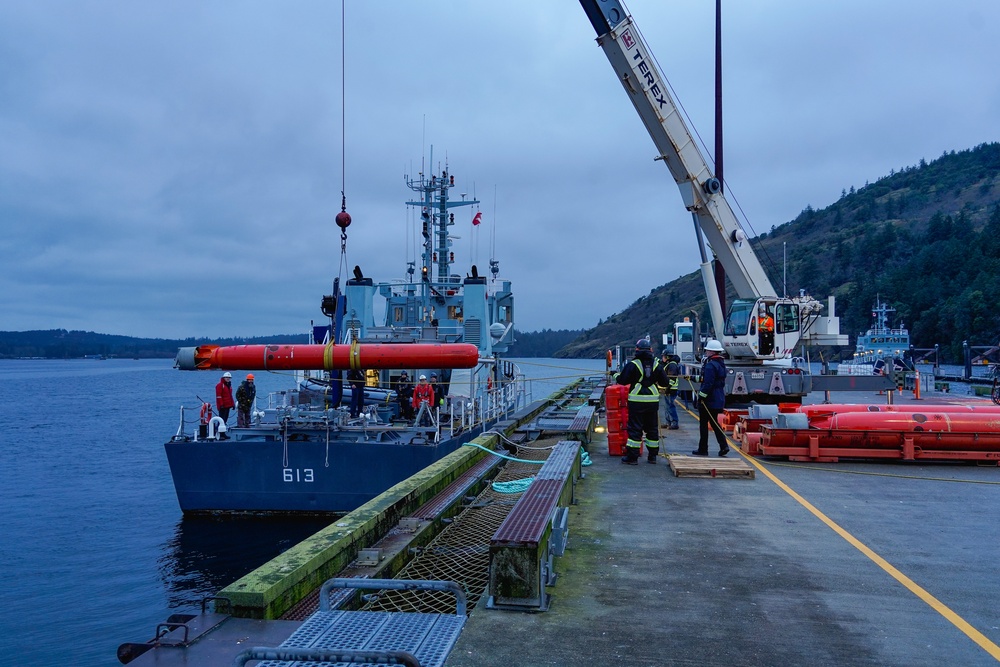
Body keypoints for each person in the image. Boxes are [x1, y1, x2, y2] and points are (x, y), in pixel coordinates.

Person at [614, 339, 669, 465]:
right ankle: (652, 456)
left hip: (636, 401)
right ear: (651, 350)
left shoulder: (633, 364)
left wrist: (615, 375)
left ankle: (632, 457)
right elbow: (665, 383)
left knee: (635, 428)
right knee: (652, 429)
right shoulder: (657, 365)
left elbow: (622, 380)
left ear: (637, 350)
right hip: (652, 401)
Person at [693, 340, 729, 457]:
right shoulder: (721, 364)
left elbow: (708, 383)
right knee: (714, 423)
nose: (706, 352)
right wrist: (695, 378)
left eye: (708, 350)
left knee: (704, 424)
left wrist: (701, 397)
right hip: (718, 397)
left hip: (709, 399)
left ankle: (703, 449)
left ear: (712, 351)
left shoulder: (710, 365)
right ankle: (724, 446)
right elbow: (711, 379)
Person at [659, 352, 680, 429]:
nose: (662, 358)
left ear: (667, 357)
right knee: (667, 406)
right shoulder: (670, 364)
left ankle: (674, 422)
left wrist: (668, 388)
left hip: (671, 389)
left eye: (663, 356)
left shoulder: (672, 365)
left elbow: (672, 378)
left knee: (670, 406)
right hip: (669, 389)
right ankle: (668, 422)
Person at [215, 372, 235, 438]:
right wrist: (221, 405)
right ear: (224, 378)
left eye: (229, 378)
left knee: (225, 420)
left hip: (228, 406)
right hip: (223, 406)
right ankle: (219, 433)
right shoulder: (220, 385)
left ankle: (223, 433)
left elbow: (230, 396)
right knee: (221, 420)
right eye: (227, 377)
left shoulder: (228, 386)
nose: (228, 379)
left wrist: (232, 404)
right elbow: (219, 396)